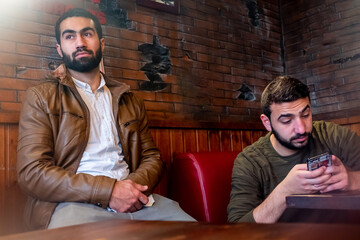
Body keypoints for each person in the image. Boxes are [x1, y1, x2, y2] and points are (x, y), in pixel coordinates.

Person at [17, 8, 194, 230]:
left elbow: (152, 157)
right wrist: (109, 191)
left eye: (87, 34)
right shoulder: (42, 97)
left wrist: (129, 189)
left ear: (101, 44)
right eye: (70, 36)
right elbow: (32, 172)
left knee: (204, 234)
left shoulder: (130, 100)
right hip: (73, 205)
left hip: (137, 202)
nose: (79, 42)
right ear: (60, 49)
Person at [227, 76, 360, 223]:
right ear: (267, 123)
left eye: (305, 115)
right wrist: (285, 192)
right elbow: (238, 228)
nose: (301, 129)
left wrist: (351, 180)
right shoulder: (250, 162)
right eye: (287, 121)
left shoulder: (332, 135)